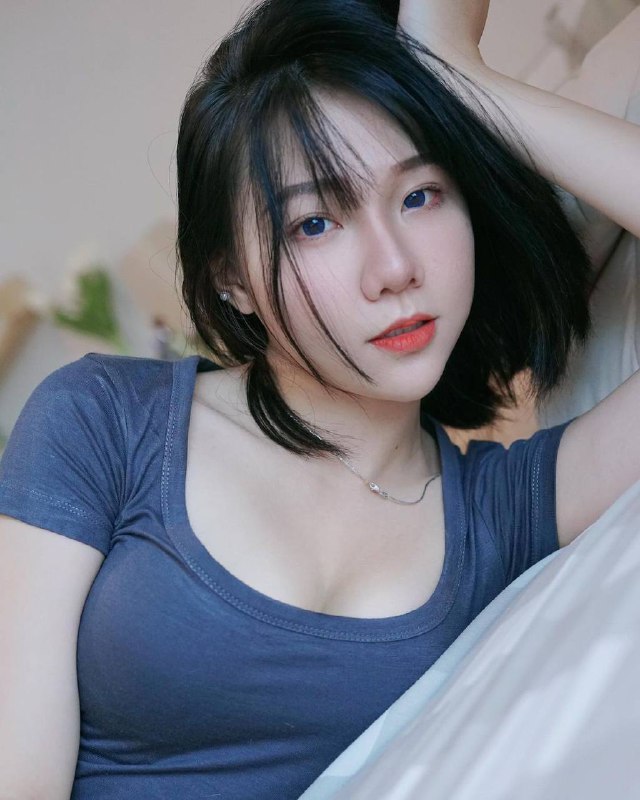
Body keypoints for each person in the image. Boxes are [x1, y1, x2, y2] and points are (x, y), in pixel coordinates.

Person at [1, 0, 638, 798]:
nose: (395, 268)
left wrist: (463, 73)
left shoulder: (503, 515)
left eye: (420, 195)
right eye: (314, 224)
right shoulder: (102, 423)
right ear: (229, 276)